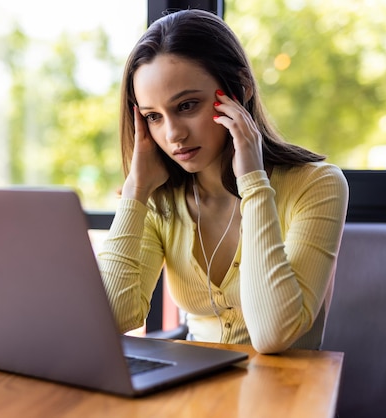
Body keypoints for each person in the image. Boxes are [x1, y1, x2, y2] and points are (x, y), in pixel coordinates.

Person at [97, 9, 349, 354]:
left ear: (241, 88)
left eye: (187, 105)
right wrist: (135, 192)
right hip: (195, 393)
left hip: (287, 395)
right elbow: (109, 318)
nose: (173, 135)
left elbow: (274, 334)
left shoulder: (316, 185)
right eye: (153, 117)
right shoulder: (161, 200)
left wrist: (253, 182)